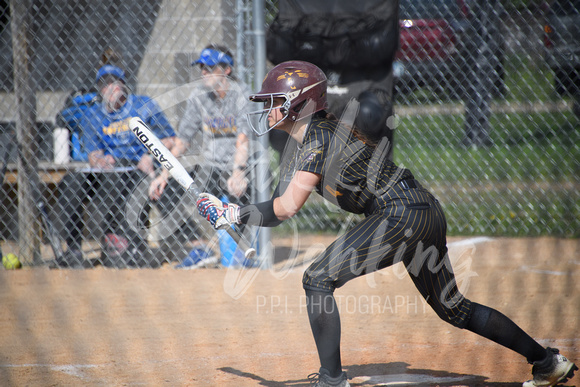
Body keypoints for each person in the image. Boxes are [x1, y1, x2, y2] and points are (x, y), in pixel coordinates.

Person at [195, 61, 577, 386]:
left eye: (275, 102)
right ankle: (547, 363)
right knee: (454, 309)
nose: (268, 110)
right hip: (422, 210)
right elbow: (277, 210)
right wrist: (232, 212)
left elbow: (287, 207)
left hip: (399, 213)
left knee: (317, 278)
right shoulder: (306, 142)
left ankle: (332, 380)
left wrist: (233, 213)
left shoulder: (315, 137)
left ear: (300, 104)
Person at [54, 64, 181, 268]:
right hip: (109, 171)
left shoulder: (143, 105)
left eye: (114, 82)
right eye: (104, 85)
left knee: (129, 182)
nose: (110, 88)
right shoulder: (93, 115)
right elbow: (94, 155)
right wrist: (102, 161)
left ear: (123, 84)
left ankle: (132, 248)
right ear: (99, 90)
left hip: (139, 167)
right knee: (70, 182)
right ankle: (74, 251)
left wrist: (149, 155)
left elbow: (170, 139)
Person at [150, 44, 252, 267]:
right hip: (211, 168)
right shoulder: (198, 97)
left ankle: (242, 254)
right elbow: (182, 141)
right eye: (201, 67)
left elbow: (243, 140)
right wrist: (163, 175)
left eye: (209, 67)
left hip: (241, 166)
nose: (203, 72)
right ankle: (199, 246)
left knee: (240, 189)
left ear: (226, 70)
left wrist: (238, 173)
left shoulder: (242, 95)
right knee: (164, 188)